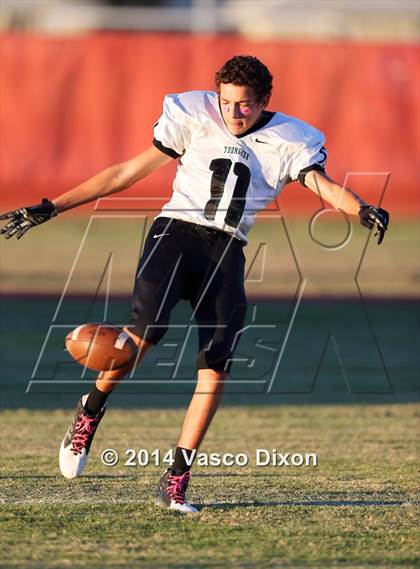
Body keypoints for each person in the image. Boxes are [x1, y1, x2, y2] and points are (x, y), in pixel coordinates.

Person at [0, 55, 389, 514]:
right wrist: (53, 206)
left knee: (215, 365)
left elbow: (321, 184)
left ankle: (176, 478)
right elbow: (126, 172)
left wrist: (360, 208)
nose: (234, 113)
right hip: (176, 235)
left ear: (264, 101)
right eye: (226, 102)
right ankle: (91, 409)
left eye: (245, 105)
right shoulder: (192, 114)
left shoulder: (291, 138)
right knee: (142, 337)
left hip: (227, 251)